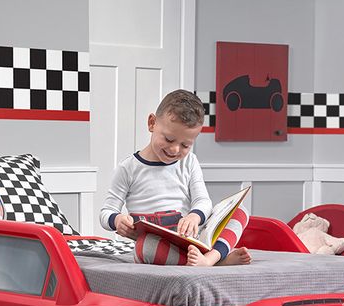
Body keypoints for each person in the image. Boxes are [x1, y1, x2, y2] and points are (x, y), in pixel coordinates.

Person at [99, 89, 251, 267]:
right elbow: (106, 212)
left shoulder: (189, 162)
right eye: (169, 139)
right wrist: (117, 220)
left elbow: (203, 201)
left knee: (241, 211)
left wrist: (194, 217)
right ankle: (214, 262)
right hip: (157, 244)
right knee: (145, 248)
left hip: (192, 240)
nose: (175, 150)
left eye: (185, 145)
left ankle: (211, 258)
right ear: (152, 123)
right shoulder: (128, 168)